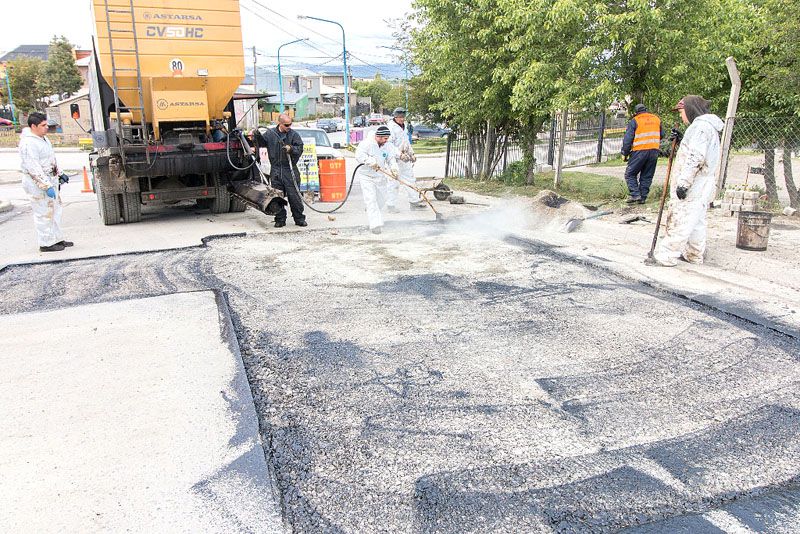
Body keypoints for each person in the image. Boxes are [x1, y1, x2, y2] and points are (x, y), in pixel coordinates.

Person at [651, 96, 724, 267]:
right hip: (702, 182)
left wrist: (684, 183)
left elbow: (696, 157)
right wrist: (683, 138)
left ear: (690, 110)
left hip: (694, 183)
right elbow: (696, 150)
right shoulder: (705, 127)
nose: (681, 117)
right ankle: (694, 254)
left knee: (681, 217)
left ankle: (667, 255)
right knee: (696, 220)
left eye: (681, 112)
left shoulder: (700, 128)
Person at [19, 112, 73, 252]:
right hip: (37, 184)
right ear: (33, 126)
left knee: (55, 210)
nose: (47, 127)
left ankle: (57, 238)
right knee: (43, 212)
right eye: (43, 125)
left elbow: (50, 159)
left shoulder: (43, 139)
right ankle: (46, 243)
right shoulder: (28, 143)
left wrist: (60, 173)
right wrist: (45, 185)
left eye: (46, 124)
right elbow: (33, 167)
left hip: (50, 178)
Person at [252, 113, 307, 228]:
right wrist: (257, 136)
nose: (289, 127)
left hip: (289, 170)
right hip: (276, 171)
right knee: (277, 198)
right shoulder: (271, 134)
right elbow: (261, 144)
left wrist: (291, 148)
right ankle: (280, 219)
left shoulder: (293, 135)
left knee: (294, 197)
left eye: (290, 124)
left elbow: (300, 148)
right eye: (286, 125)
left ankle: (299, 218)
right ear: (280, 124)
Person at [355, 125, 399, 234]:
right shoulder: (366, 144)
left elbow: (391, 159)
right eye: (385, 138)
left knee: (383, 199)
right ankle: (375, 225)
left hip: (380, 176)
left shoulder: (387, 146)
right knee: (371, 199)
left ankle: (372, 211)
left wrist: (394, 169)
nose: (386, 140)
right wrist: (370, 161)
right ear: (379, 137)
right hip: (367, 176)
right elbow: (359, 155)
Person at [621, 103, 663, 204]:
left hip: (639, 151)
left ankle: (635, 194)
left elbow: (628, 139)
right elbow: (662, 134)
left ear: (636, 112)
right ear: (646, 110)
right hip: (654, 150)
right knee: (647, 175)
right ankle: (642, 197)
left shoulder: (635, 120)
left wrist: (624, 153)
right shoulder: (656, 119)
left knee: (630, 174)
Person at [386, 107, 423, 212]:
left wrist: (412, 154)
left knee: (410, 179)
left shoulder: (404, 126)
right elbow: (389, 145)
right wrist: (399, 154)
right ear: (395, 116)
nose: (402, 119)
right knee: (394, 183)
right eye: (400, 117)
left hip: (405, 159)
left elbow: (406, 142)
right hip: (393, 160)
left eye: (403, 117)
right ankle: (390, 205)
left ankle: (414, 202)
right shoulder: (390, 128)